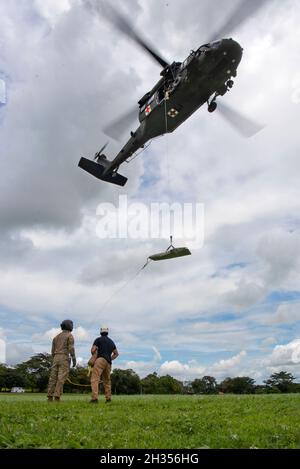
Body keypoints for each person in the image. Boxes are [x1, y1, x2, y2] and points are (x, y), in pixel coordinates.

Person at [47, 319, 76, 402]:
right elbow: (71, 348)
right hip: (64, 357)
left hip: (55, 357)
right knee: (61, 378)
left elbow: (52, 351)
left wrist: (55, 357)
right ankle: (57, 397)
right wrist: (74, 358)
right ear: (69, 326)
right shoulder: (69, 335)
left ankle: (49, 396)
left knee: (52, 378)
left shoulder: (56, 337)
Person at [90, 326, 119, 403]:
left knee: (95, 379)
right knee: (107, 381)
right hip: (108, 362)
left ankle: (94, 399)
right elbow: (116, 353)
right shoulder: (111, 341)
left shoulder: (98, 339)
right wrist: (110, 358)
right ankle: (108, 398)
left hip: (100, 360)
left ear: (101, 332)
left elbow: (93, 350)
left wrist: (94, 353)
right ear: (107, 332)